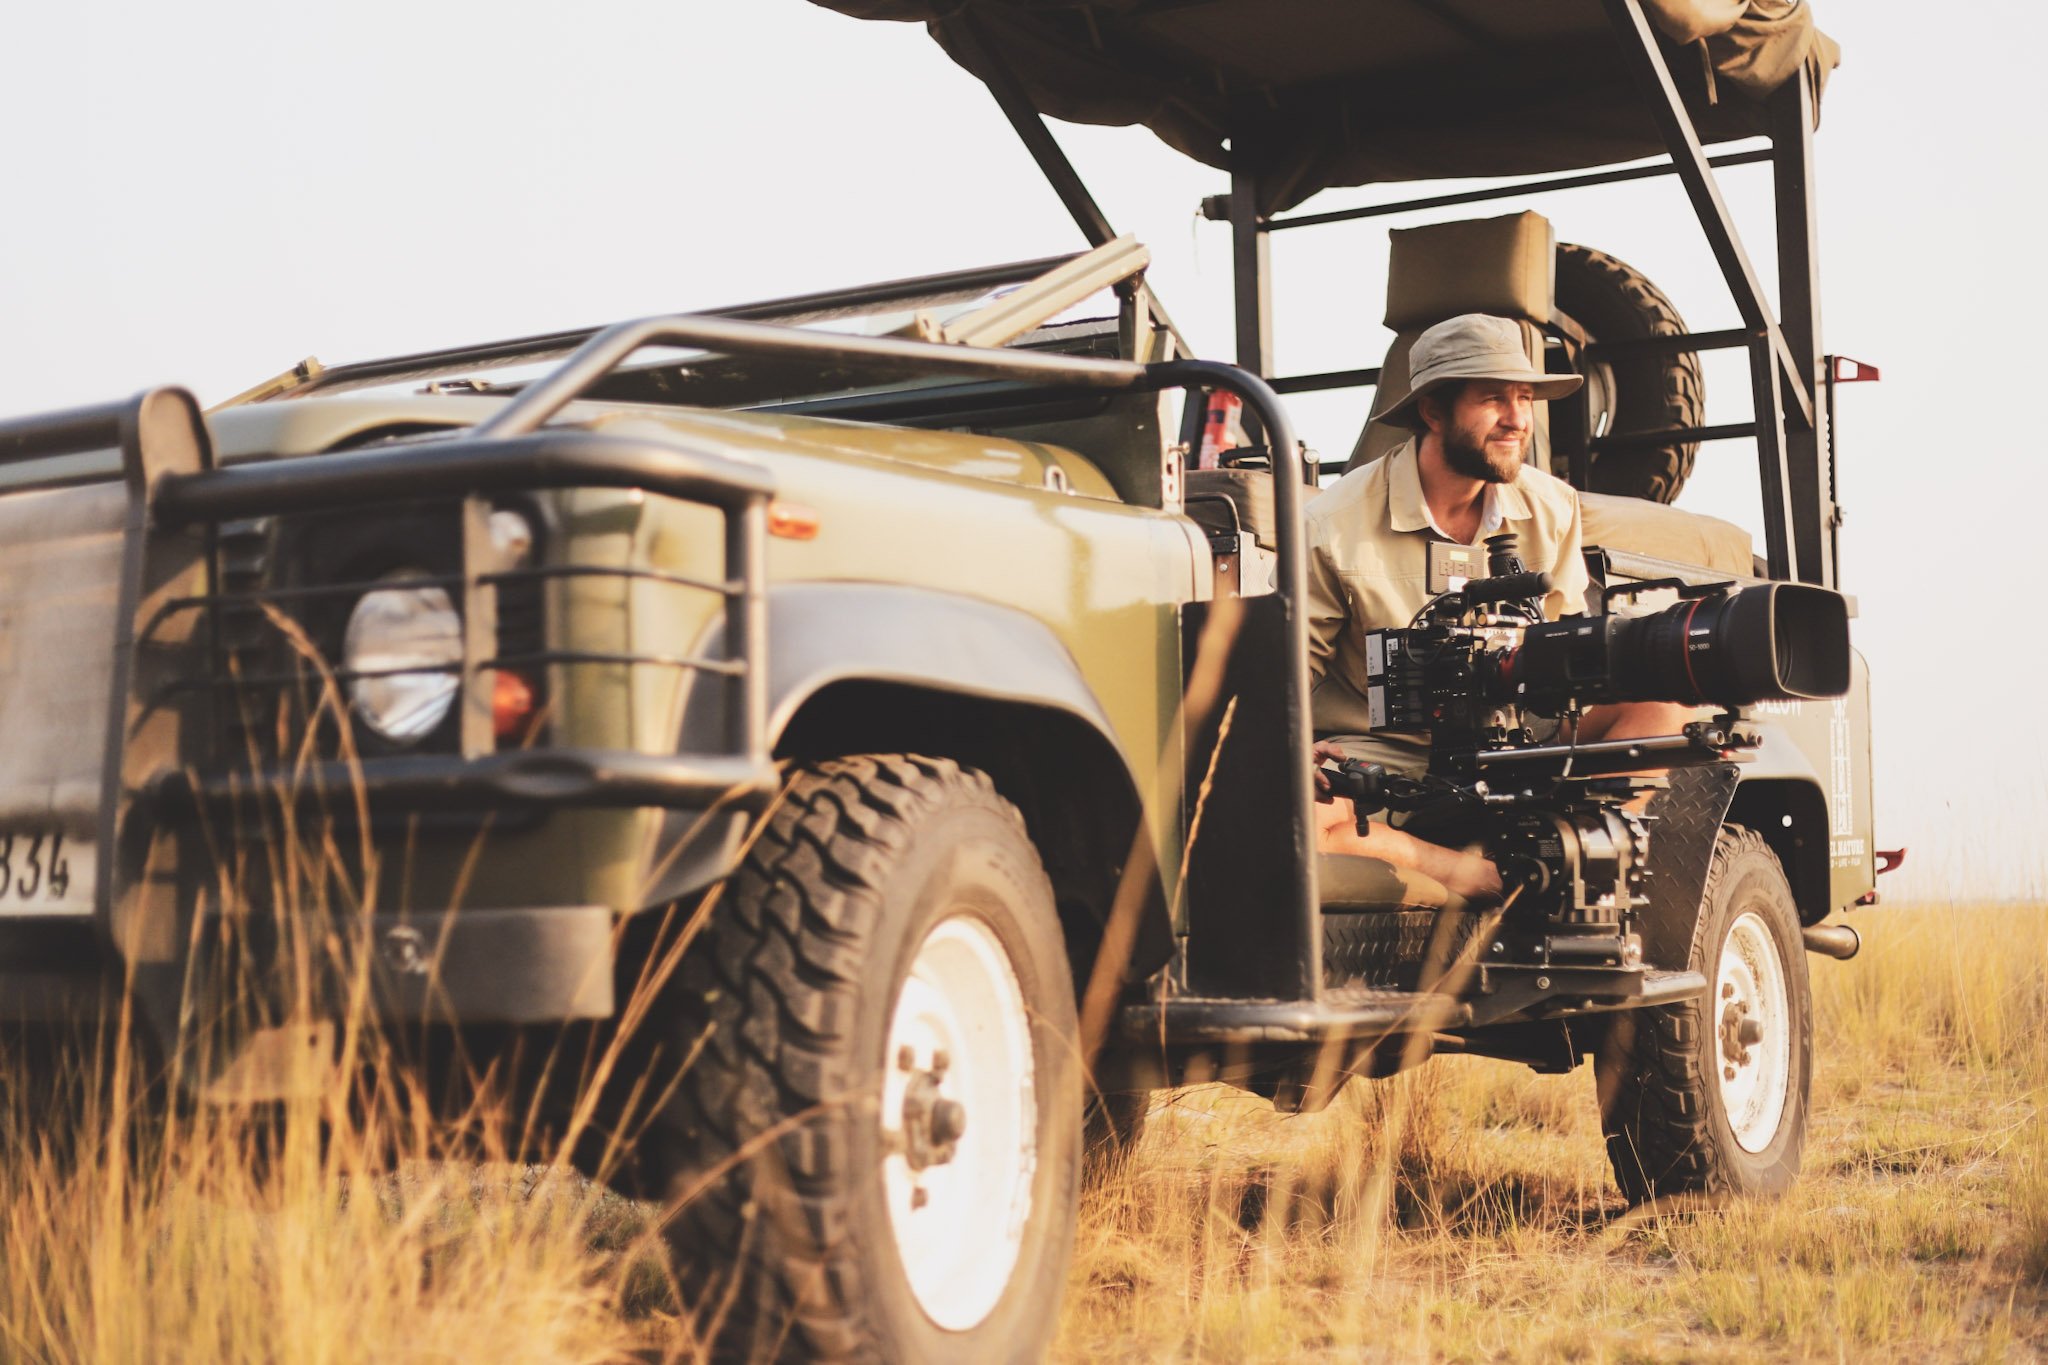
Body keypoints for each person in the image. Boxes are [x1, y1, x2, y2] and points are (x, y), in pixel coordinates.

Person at [1303, 313, 1692, 900]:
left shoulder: (1551, 506)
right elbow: (1279, 673)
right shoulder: (1334, 523)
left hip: (1515, 746)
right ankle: (1487, 879)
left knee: (1661, 707)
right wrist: (1289, 747)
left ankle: (1581, 864)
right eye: (1493, 399)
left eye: (1525, 397)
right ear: (1433, 412)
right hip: (1388, 757)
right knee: (1299, 823)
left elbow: (1566, 649)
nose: (1517, 419)